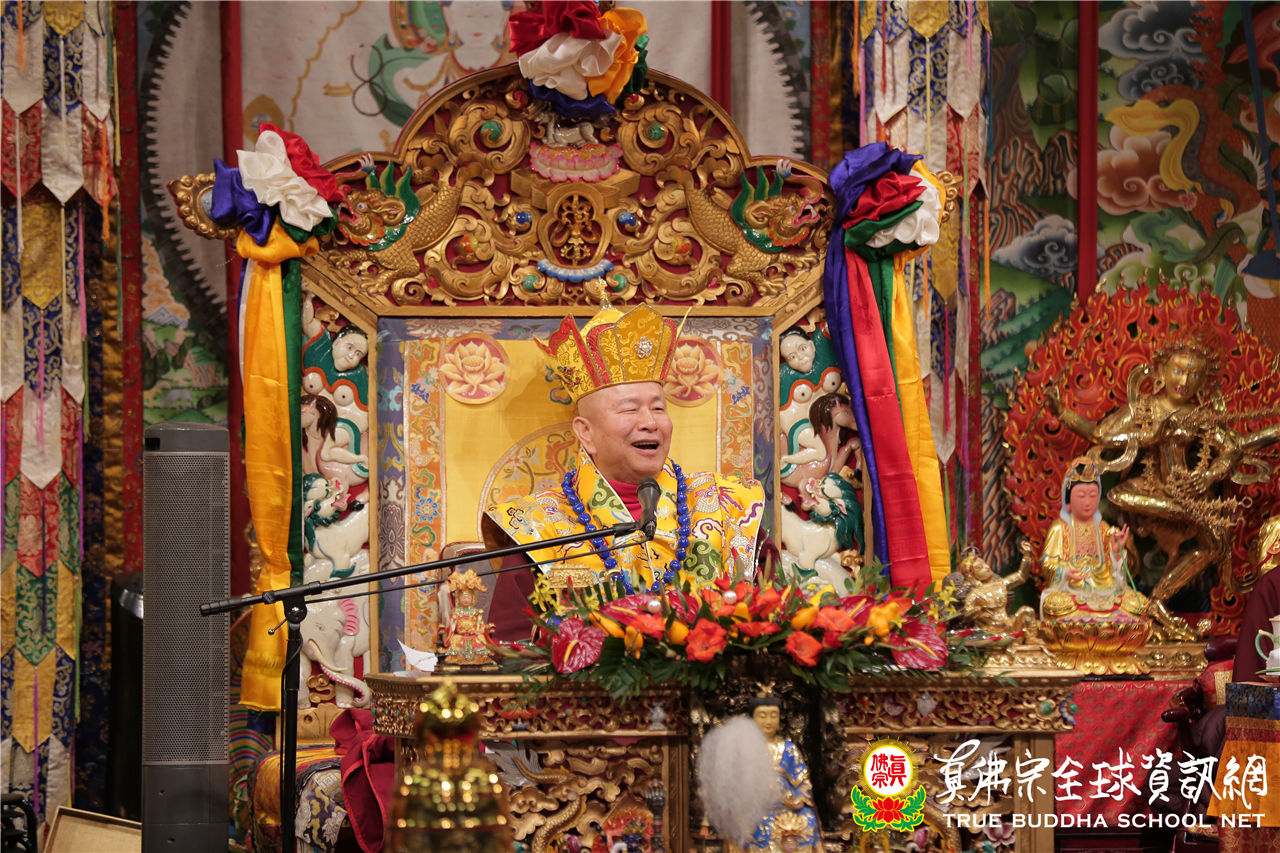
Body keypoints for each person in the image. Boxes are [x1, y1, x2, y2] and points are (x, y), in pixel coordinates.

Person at [482, 302, 766, 641]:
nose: (649, 423)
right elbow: (511, 646)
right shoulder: (539, 526)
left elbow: (776, 621)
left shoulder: (726, 506)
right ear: (586, 432)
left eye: (658, 408)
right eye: (630, 410)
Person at [1037, 456, 1145, 623]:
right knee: (1055, 604)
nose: (1088, 502)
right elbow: (1048, 565)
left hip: (1105, 591)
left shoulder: (1104, 528)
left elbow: (1119, 578)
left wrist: (1117, 554)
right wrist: (1066, 572)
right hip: (1073, 593)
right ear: (1068, 500)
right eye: (1081, 496)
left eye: (1093, 496)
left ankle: (1099, 625)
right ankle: (1099, 626)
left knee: (1138, 604)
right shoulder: (1060, 528)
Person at [738, 696, 821, 853]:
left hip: (786, 808)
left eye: (773, 716)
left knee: (808, 817)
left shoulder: (789, 749)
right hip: (757, 809)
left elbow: (803, 781)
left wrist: (798, 799)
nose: (768, 721)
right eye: (762, 716)